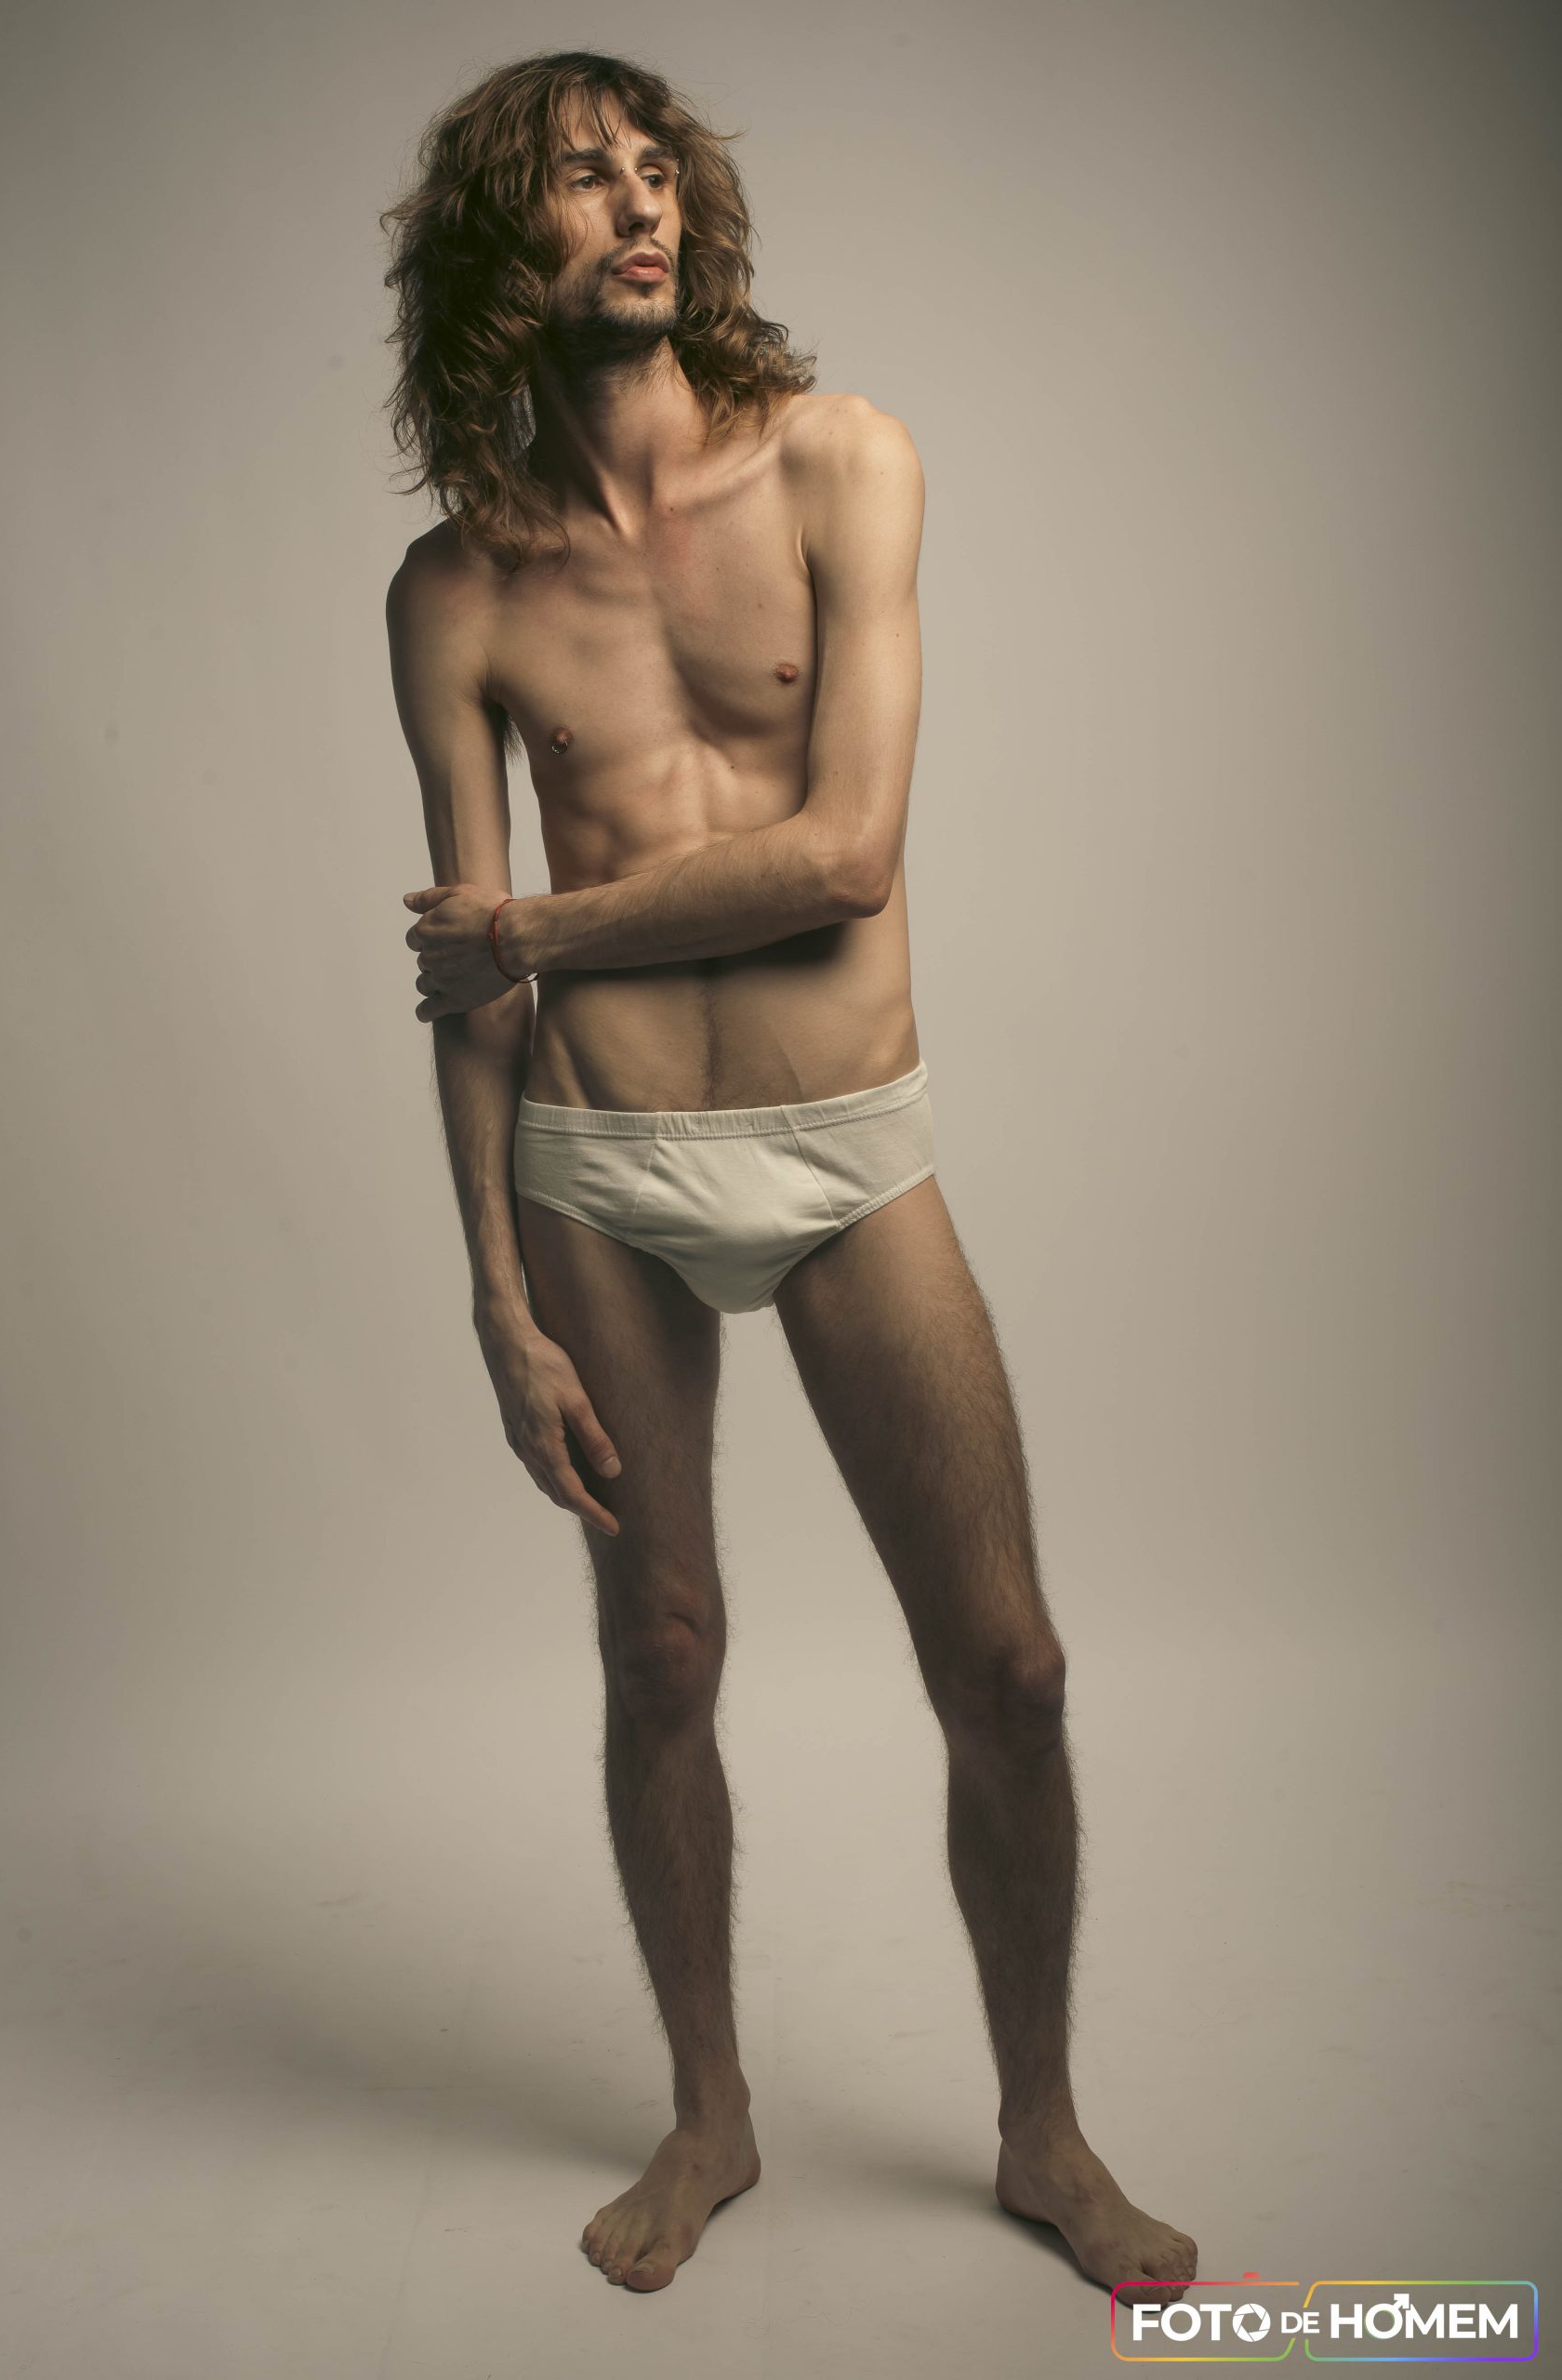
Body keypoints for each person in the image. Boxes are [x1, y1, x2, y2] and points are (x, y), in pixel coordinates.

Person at [381, 48, 1198, 2305]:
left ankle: (1040, 2132)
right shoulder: (453, 591)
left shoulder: (845, 462)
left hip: (845, 1150)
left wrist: (538, 924)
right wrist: (493, 1298)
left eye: (657, 172)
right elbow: (464, 989)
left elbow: (844, 852)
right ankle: (709, 2107)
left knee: (1010, 1664)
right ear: (503, 246)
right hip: (597, 1168)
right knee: (661, 1650)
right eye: (582, 181)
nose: (638, 206)